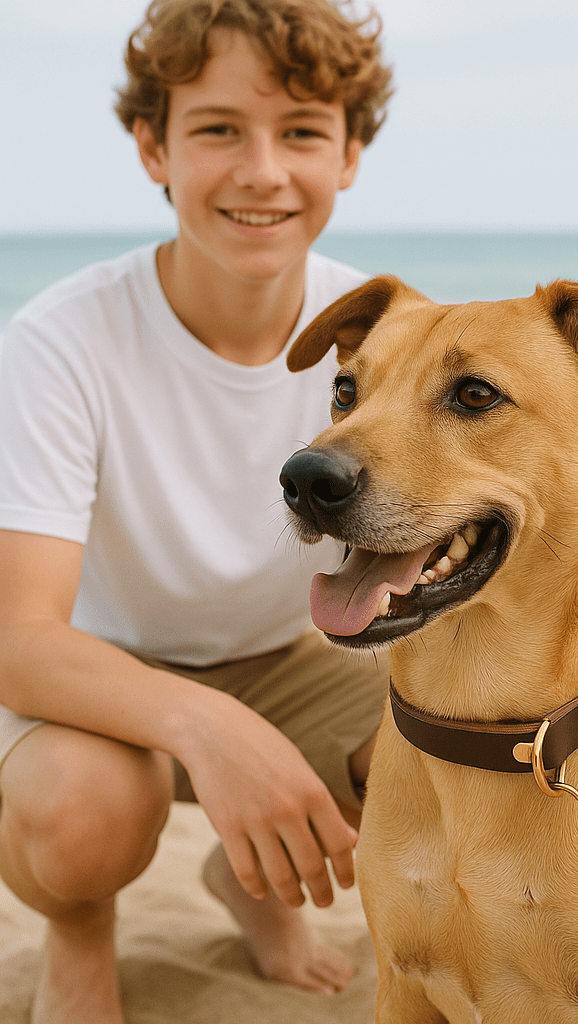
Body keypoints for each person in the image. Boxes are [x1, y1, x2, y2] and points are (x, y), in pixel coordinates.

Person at [0, 1, 393, 1021]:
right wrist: (207, 724)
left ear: (347, 155)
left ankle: (246, 881)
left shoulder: (380, 332)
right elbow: (19, 639)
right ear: (153, 147)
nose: (262, 170)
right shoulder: (60, 342)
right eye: (218, 128)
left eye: (302, 130)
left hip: (288, 656)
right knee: (87, 818)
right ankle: (81, 930)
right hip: (94, 672)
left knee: (435, 756)